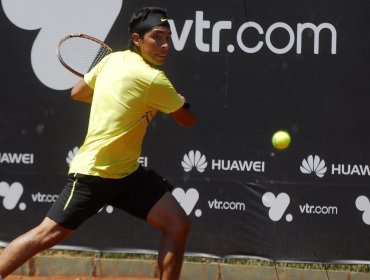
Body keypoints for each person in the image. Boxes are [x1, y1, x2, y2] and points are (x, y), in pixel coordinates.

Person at [0, 6, 196, 280]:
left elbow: (78, 93)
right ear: (138, 40)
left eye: (168, 37)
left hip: (126, 173)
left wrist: (125, 99)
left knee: (178, 224)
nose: (165, 45)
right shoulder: (154, 79)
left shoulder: (112, 60)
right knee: (45, 235)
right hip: (95, 174)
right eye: (157, 37)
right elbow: (188, 120)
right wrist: (180, 102)